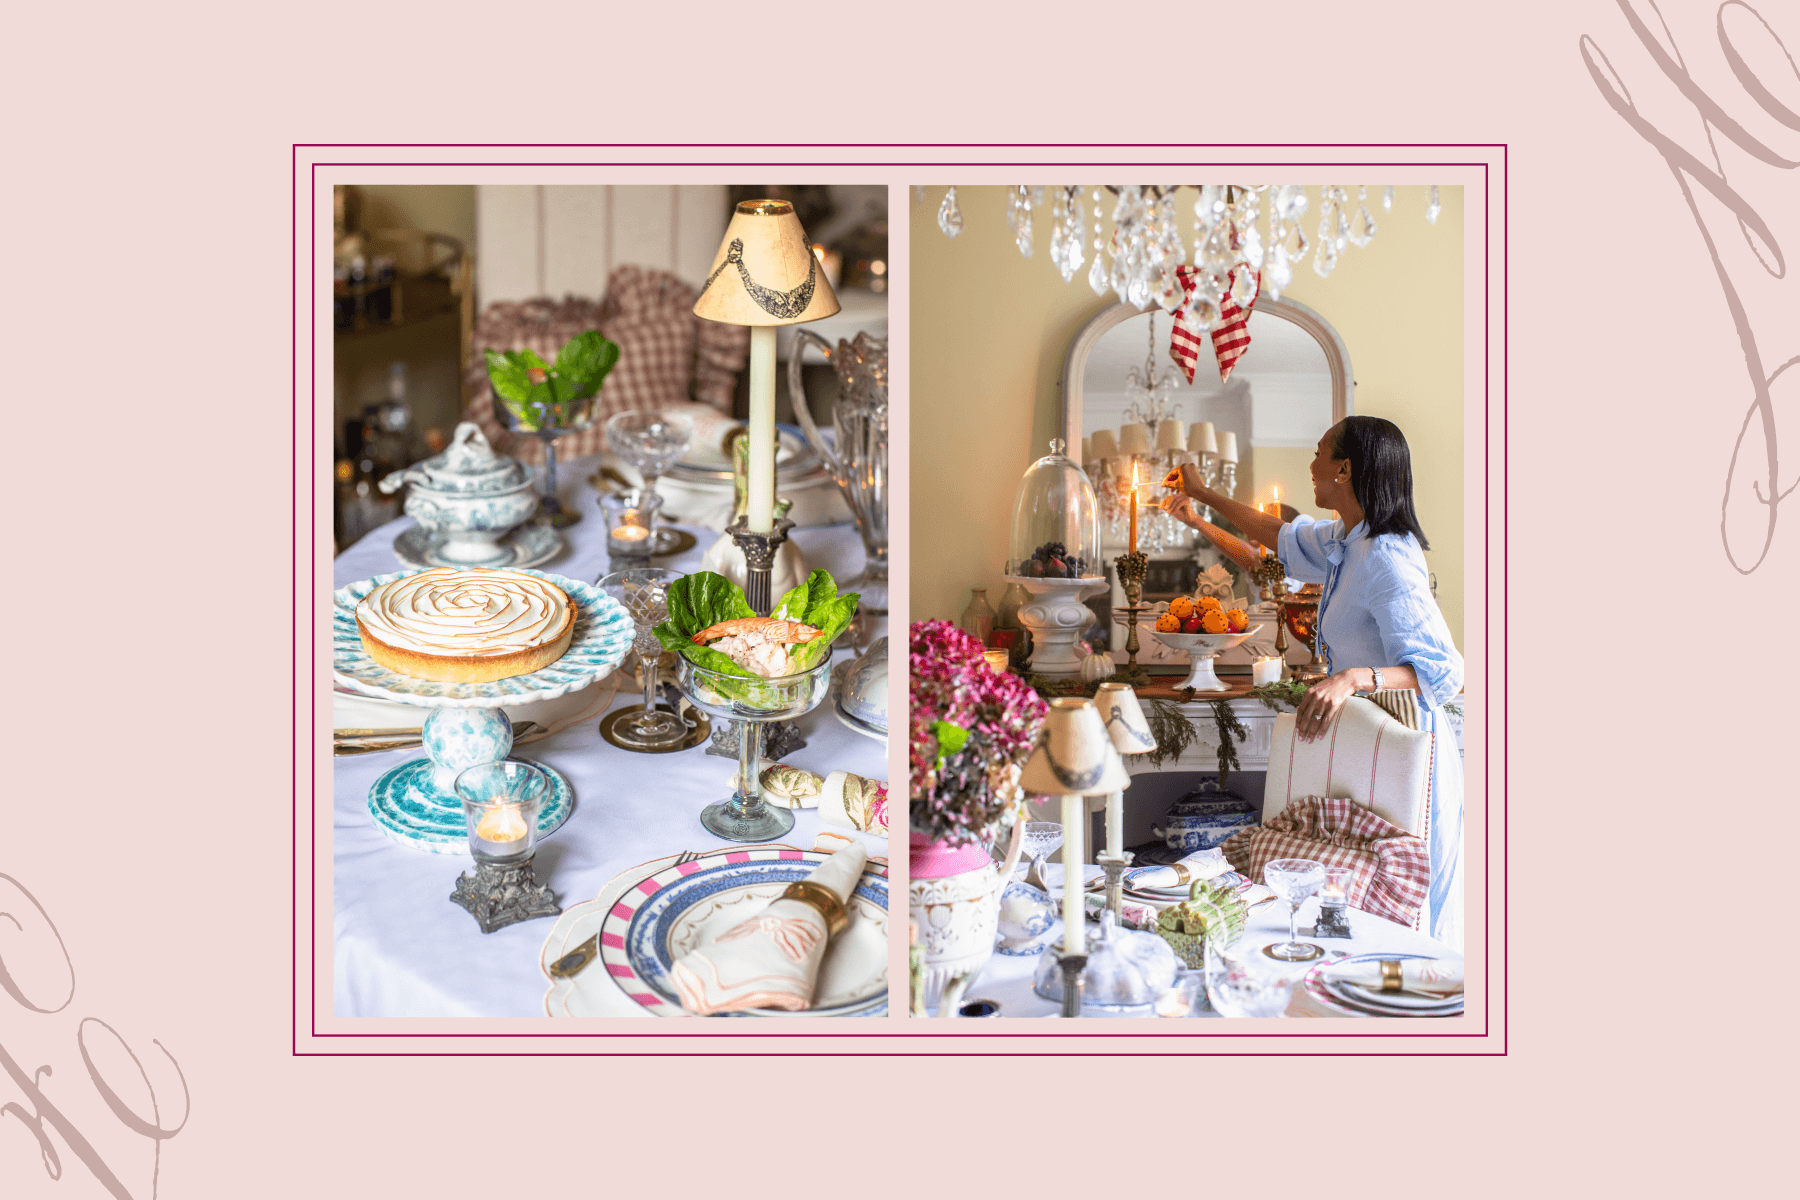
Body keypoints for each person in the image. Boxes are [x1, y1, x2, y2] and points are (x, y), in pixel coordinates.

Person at [1161, 415, 1465, 949]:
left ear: (1343, 470)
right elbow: (1277, 537)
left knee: (1405, 917)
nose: (1311, 463)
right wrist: (1202, 496)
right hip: (1370, 744)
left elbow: (1445, 672)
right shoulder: (1348, 540)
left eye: (1320, 451)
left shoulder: (1387, 556)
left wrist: (1353, 678)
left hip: (1409, 753)